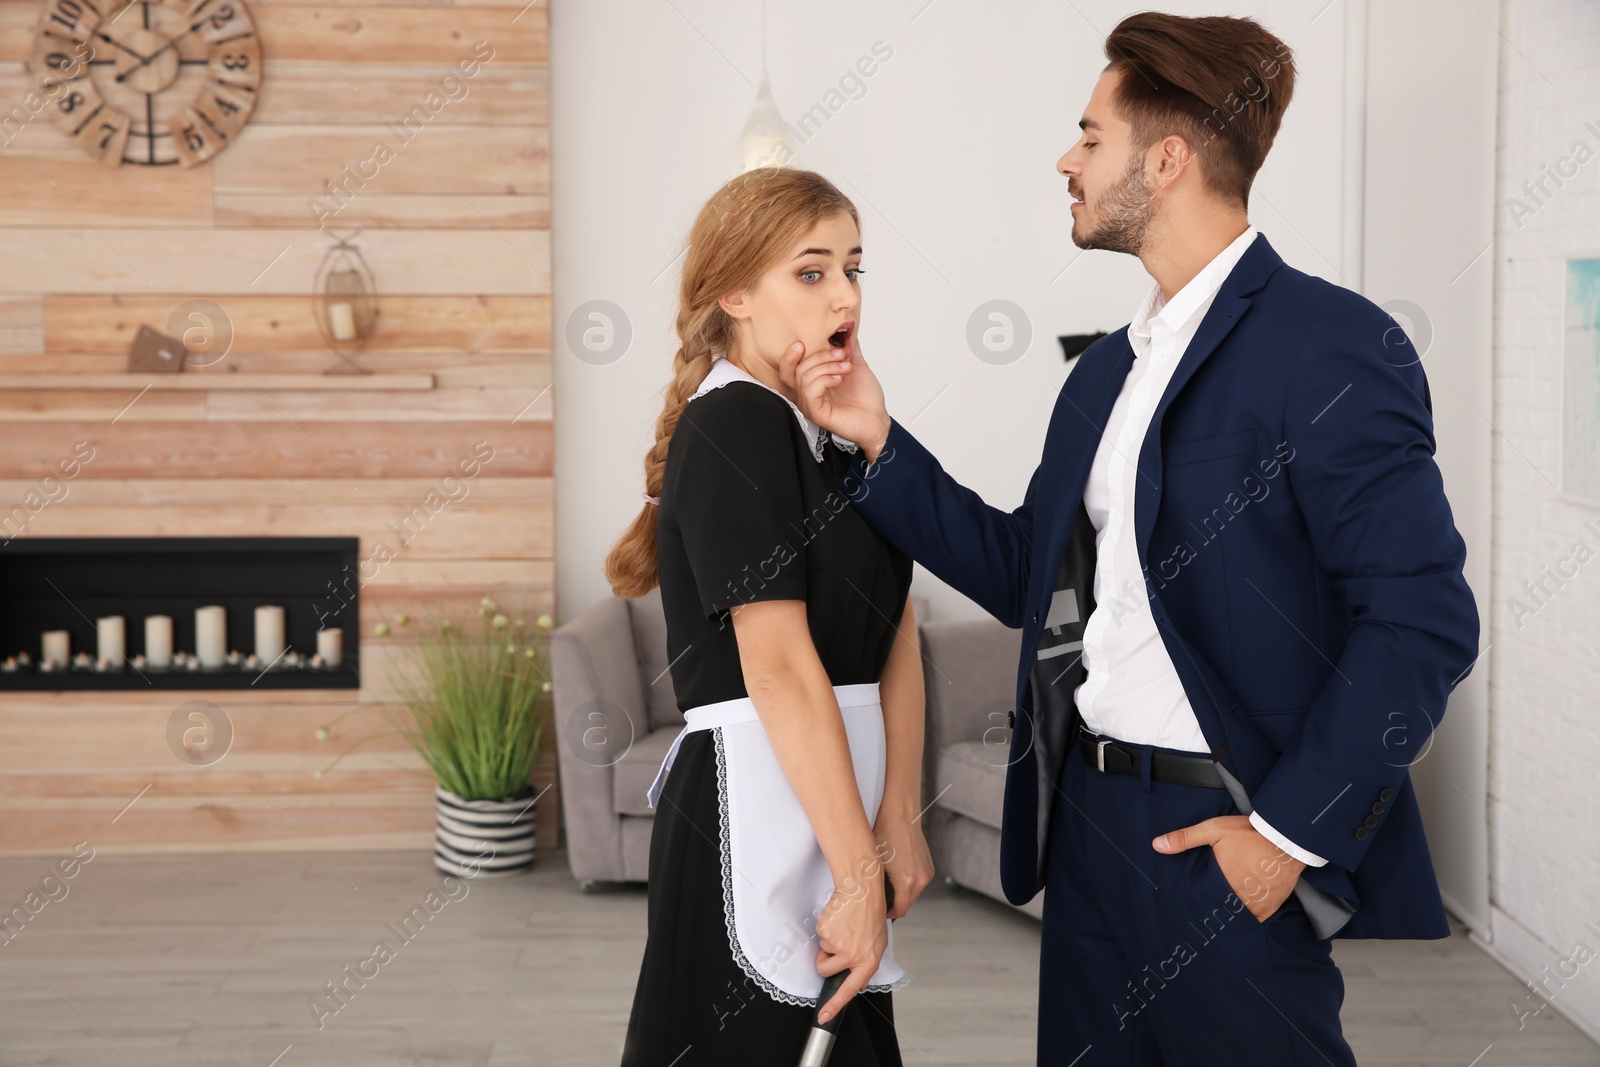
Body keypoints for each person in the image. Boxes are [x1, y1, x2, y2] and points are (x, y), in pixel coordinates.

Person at [781, 12, 1479, 1067]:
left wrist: (1282, 838)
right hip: (1089, 824)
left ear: (1167, 158)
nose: (1066, 159)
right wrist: (879, 442)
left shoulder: (1329, 344)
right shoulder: (1104, 373)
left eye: (1089, 135)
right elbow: (1027, 574)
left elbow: (1422, 617)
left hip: (1225, 837)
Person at [605, 167, 934, 1066]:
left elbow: (897, 630)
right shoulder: (734, 425)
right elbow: (780, 666)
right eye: (812, 271)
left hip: (839, 814)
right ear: (734, 294)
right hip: (751, 814)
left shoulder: (831, 430)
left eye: (855, 269)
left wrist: (899, 814)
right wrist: (859, 865)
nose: (844, 294)